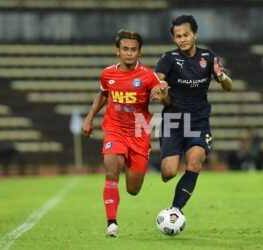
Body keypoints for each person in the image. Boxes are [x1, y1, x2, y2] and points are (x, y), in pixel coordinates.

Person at [81, 30, 166, 238]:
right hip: (115, 130)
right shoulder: (107, 74)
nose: (129, 53)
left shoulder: (148, 75)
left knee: (133, 189)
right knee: (111, 172)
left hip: (139, 132)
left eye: (133, 50)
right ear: (117, 51)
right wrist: (89, 117)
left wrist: (163, 97)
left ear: (140, 52)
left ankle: (129, 159)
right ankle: (112, 224)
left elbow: (165, 98)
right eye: (125, 49)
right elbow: (103, 94)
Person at [155, 15, 233, 214]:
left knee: (195, 161)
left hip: (198, 120)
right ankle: (169, 166)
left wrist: (222, 76)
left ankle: (176, 210)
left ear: (195, 34)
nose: (182, 39)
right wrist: (160, 88)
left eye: (186, 34)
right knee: (168, 172)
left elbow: (228, 86)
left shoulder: (207, 58)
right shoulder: (168, 58)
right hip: (173, 119)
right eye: (178, 36)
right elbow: (159, 79)